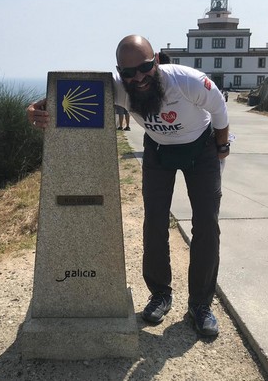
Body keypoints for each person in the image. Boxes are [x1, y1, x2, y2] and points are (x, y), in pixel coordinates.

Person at [27, 35, 230, 337]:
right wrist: (35, 109)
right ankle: (160, 294)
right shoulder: (120, 88)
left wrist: (221, 147)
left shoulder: (188, 82)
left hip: (201, 148)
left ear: (157, 60)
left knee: (206, 224)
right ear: (119, 72)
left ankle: (200, 304)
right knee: (155, 222)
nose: (139, 78)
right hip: (159, 150)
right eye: (128, 72)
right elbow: (66, 91)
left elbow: (219, 110)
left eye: (145, 67)